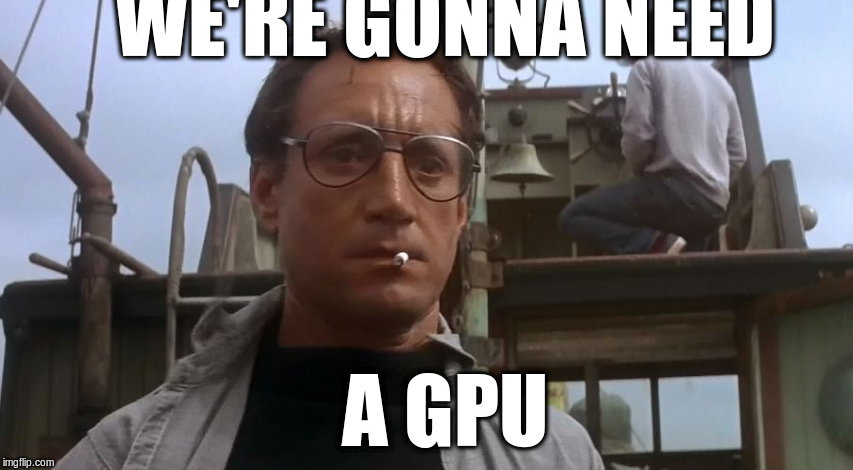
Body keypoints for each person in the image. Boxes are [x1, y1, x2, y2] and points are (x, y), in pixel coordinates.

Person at [56, 27, 604, 470]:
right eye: (347, 154)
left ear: (461, 209)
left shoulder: (557, 456)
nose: (395, 201)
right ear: (268, 192)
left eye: (430, 164)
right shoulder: (119, 456)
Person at [558, 50, 748, 254]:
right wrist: (712, 185)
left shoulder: (646, 68)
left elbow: (638, 136)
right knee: (683, 242)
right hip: (713, 208)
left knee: (573, 216)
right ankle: (709, 243)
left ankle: (656, 244)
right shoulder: (721, 84)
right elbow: (739, 155)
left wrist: (639, 171)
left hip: (670, 195)